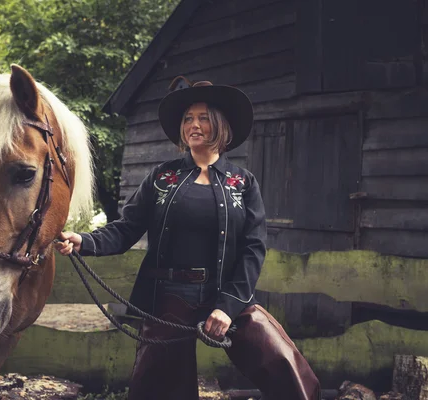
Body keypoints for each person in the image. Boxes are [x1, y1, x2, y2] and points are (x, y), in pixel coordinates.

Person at [56, 76, 321, 400]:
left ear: (220, 125)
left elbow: (254, 248)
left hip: (226, 295)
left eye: (203, 118)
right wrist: (84, 241)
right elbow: (126, 228)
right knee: (157, 386)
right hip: (170, 296)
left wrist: (227, 307)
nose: (193, 125)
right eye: (187, 118)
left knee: (281, 363)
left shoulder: (242, 182)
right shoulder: (162, 177)